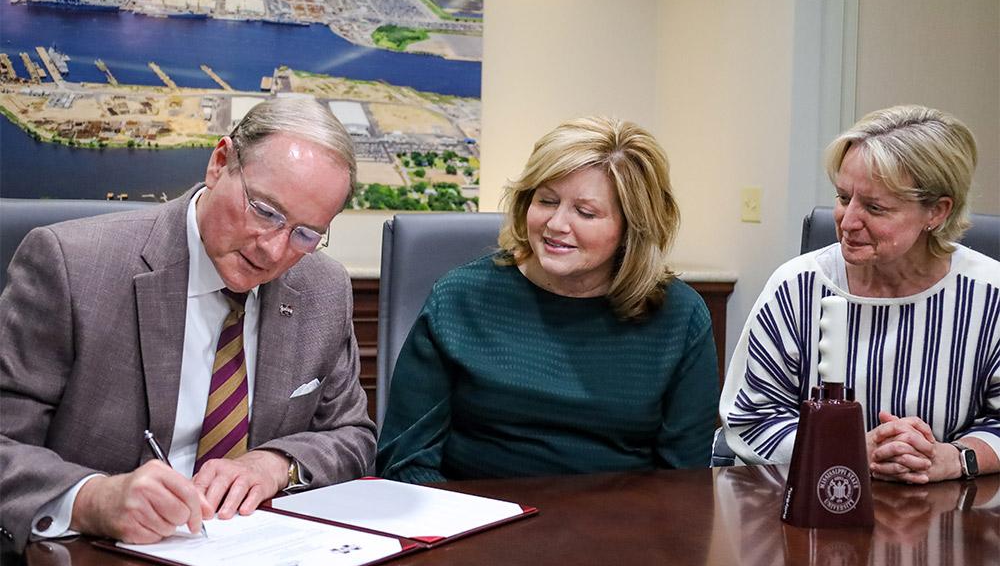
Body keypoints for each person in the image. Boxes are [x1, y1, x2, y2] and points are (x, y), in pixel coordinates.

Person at [0, 97, 376, 558]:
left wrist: (276, 464)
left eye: (305, 234)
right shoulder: (72, 266)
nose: (275, 251)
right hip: (82, 563)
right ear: (220, 163)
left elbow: (352, 435)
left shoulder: (322, 288)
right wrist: (93, 499)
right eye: (265, 212)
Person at [377, 116, 719, 483]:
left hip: (619, 531)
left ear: (633, 227)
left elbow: (684, 482)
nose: (556, 224)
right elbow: (405, 460)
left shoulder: (679, 317)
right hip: (476, 523)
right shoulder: (460, 297)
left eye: (585, 212)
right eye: (546, 200)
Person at [720, 104, 1000, 483]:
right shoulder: (796, 288)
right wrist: (843, 449)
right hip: (811, 510)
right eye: (842, 197)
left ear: (937, 212)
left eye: (874, 207)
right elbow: (752, 419)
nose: (848, 221)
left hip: (945, 516)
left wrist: (953, 457)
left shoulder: (989, 296)